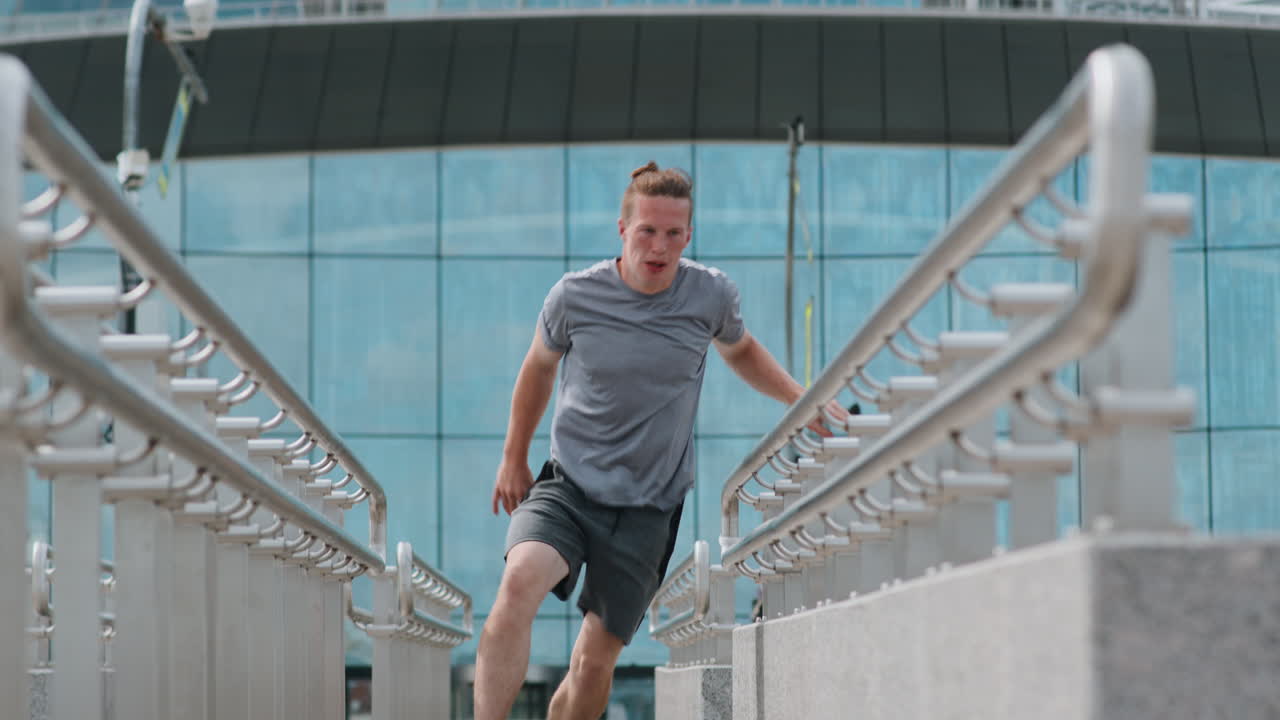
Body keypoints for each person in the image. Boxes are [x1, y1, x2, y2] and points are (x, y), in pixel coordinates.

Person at [473, 161, 845, 720]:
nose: (660, 246)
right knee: (518, 585)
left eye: (674, 233)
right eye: (647, 230)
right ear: (622, 230)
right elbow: (538, 369)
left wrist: (799, 397)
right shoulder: (575, 296)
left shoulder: (710, 296)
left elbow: (740, 350)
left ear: (688, 236)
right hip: (568, 488)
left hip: (649, 509)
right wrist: (512, 456)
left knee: (592, 667)